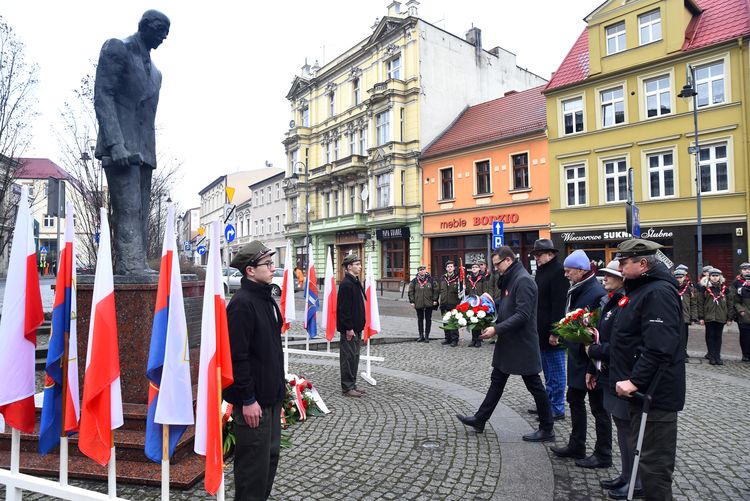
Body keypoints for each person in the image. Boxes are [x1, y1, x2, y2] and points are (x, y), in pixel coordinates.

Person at [94, 10, 170, 275]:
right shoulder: (118, 48)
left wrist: (148, 151)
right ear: (144, 26)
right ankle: (130, 264)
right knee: (128, 207)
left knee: (141, 210)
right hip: (121, 147)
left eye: (166, 34)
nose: (163, 38)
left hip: (144, 149)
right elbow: (103, 94)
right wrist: (115, 144)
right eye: (160, 31)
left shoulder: (157, 74)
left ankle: (137, 262)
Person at [455, 246, 555, 442]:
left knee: (534, 385)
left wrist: (497, 329)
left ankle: (547, 428)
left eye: (497, 264)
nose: (496, 269)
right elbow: (507, 306)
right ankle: (480, 418)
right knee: (497, 380)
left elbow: (523, 315)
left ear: (508, 260)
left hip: (522, 343)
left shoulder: (523, 280)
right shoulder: (512, 278)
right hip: (509, 341)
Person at [611, 238, 685, 500]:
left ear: (642, 264)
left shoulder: (658, 293)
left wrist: (635, 381)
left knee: (654, 468)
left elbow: (659, 347)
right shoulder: (640, 289)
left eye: (623, 262)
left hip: (653, 395)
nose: (619, 267)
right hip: (641, 394)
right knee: (645, 460)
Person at [224, 241, 285, 500]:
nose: (273, 268)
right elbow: (238, 358)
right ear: (250, 270)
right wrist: (248, 399)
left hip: (270, 398)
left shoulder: (265, 298)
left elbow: (270, 351)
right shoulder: (241, 304)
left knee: (268, 462)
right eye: (268, 264)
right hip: (253, 403)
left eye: (272, 263)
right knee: (252, 471)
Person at [586, 261, 643, 499]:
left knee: (629, 430)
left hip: (622, 372)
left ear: (622, 278)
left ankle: (635, 482)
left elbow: (622, 343)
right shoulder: (612, 301)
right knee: (621, 427)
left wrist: (595, 351)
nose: (604, 278)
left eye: (610, 275)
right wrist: (594, 367)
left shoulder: (624, 302)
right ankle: (626, 474)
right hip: (610, 371)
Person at [550, 249, 612, 469]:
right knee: (574, 400)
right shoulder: (577, 288)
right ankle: (577, 444)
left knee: (599, 408)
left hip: (591, 362)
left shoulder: (594, 292)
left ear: (580, 270)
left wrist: (592, 367)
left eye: (568, 271)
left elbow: (597, 331)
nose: (566, 274)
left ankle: (604, 453)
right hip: (577, 356)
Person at [529, 239, 568, 421]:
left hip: (552, 332)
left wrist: (556, 331)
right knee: (547, 372)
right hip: (541, 330)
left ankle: (557, 408)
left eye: (539, 254)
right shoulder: (542, 271)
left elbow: (558, 305)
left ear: (551, 254)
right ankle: (546, 404)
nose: (536, 258)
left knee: (556, 372)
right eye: (535, 255)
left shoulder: (558, 272)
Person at [337, 254, 366, 397]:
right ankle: (347, 388)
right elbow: (344, 309)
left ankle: (352, 384)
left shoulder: (354, 281)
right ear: (349, 266)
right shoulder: (346, 284)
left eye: (360, 264)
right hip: (350, 329)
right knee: (348, 358)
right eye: (357, 264)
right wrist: (348, 328)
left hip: (356, 327)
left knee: (354, 357)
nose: (360, 267)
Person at [697, 268, 733, 365]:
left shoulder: (725, 289)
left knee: (718, 336)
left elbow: (730, 304)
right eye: (713, 276)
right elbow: (700, 303)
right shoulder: (704, 288)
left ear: (720, 277)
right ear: (709, 277)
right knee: (710, 336)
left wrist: (730, 318)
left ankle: (718, 356)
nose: (715, 278)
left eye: (717, 276)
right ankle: (711, 356)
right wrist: (701, 317)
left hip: (721, 316)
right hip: (708, 316)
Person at [408, 265, 438, 343]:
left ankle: (427, 336)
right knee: (420, 320)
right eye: (420, 270)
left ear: (425, 271)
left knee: (428, 320)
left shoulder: (431, 280)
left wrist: (435, 299)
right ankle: (421, 336)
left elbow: (436, 290)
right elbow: (410, 291)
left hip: (429, 303)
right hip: (418, 303)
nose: (422, 271)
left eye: (423, 270)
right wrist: (412, 301)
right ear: (418, 271)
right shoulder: (414, 281)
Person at [674, 268, 697, 359]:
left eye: (681, 277)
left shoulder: (689, 289)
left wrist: (693, 317)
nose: (679, 279)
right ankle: (676, 352)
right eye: (677, 277)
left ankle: (683, 352)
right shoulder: (671, 287)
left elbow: (693, 304)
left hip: (685, 316)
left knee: (684, 336)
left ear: (684, 277)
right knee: (675, 336)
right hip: (674, 317)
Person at [439, 261, 461, 347]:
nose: (450, 268)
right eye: (448, 266)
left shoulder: (458, 278)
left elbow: (462, 291)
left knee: (453, 322)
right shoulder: (442, 278)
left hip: (454, 304)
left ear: (454, 268)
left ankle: (454, 339)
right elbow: (439, 290)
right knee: (445, 322)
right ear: (446, 268)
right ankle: (447, 338)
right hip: (444, 303)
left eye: (451, 266)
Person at [464, 262, 486, 347]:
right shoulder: (469, 278)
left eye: (476, 267)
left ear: (479, 269)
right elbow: (467, 291)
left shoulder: (482, 278)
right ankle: (473, 339)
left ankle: (478, 340)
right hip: (471, 301)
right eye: (473, 267)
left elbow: (485, 290)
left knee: (478, 320)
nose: (474, 268)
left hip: (479, 301)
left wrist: (483, 300)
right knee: (471, 320)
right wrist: (464, 289)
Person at [733, 262, 750, 362]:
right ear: (741, 271)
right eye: (744, 269)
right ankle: (745, 354)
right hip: (743, 315)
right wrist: (740, 310)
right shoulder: (736, 283)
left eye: (748, 269)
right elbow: (734, 299)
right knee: (744, 336)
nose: (747, 270)